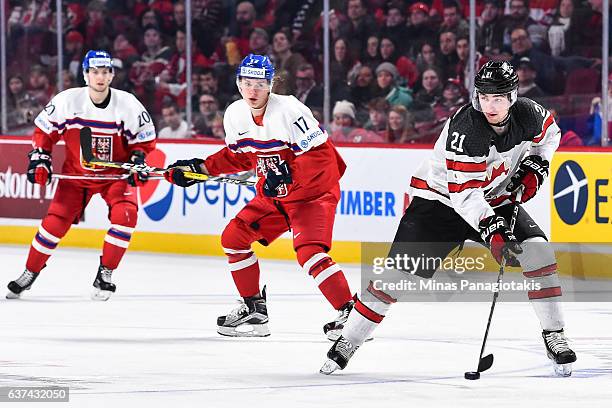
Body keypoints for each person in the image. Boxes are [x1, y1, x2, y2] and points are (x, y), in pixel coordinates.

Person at [321, 61, 577, 376]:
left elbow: (551, 136)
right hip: (439, 203)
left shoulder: (530, 113)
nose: (489, 105)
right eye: (484, 97)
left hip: (493, 197)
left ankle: (555, 334)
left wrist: (538, 164)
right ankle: (349, 340)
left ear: (513, 97)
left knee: (538, 252)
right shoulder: (467, 128)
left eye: (497, 98)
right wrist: (494, 233)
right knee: (395, 279)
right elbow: (464, 195)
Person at [164, 54, 354, 339]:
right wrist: (200, 169)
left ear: (270, 84)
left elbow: (323, 158)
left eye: (260, 83)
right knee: (233, 238)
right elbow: (238, 157)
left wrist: (288, 174)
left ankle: (350, 314)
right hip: (276, 197)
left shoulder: (290, 110)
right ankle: (254, 308)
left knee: (309, 252)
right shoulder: (235, 114)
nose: (253, 90)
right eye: (247, 83)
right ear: (239, 83)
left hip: (313, 194)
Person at [6, 50, 157, 301]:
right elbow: (44, 132)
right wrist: (40, 157)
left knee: (126, 216)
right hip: (76, 177)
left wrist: (137, 160)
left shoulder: (128, 104)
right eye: (94, 72)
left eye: (105, 72)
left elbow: (142, 141)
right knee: (54, 224)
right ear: (85, 74)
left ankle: (105, 273)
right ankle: (29, 272)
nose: (100, 77)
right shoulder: (68, 101)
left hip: (114, 177)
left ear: (112, 75)